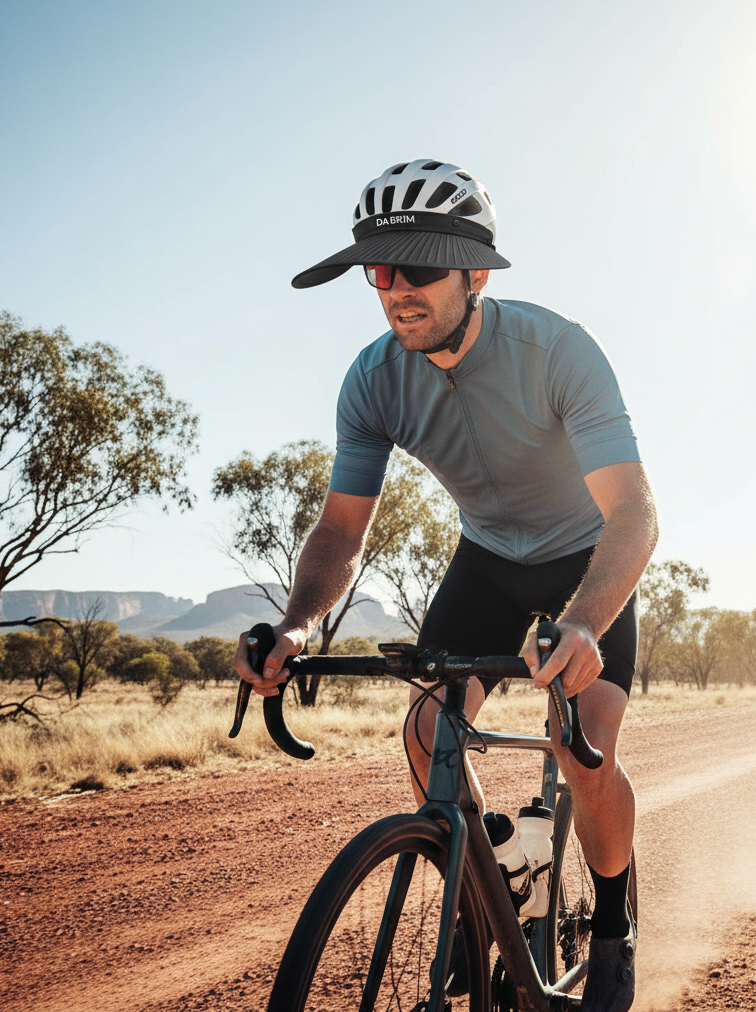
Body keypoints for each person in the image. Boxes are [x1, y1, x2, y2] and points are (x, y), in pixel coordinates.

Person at [235, 159, 658, 1012]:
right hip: (488, 561)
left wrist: (581, 625)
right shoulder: (373, 379)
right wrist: (292, 626)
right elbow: (342, 530)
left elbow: (635, 516)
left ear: (475, 272)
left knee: (585, 750)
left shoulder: (556, 350)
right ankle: (497, 875)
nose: (394, 290)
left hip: (585, 557)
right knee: (429, 726)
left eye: (417, 268)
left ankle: (611, 927)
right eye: (378, 272)